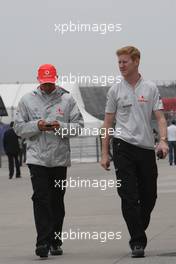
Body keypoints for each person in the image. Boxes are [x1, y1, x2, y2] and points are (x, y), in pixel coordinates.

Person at [101, 46, 168, 258]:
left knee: (149, 195)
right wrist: (105, 153)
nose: (121, 66)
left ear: (136, 61)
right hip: (122, 147)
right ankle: (137, 241)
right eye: (119, 62)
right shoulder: (115, 90)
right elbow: (108, 123)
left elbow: (160, 118)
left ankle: (138, 226)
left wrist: (163, 141)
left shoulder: (150, 88)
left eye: (125, 62)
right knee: (128, 196)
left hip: (146, 148)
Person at [14, 64, 84, 258]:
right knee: (41, 198)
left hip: (60, 159)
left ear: (56, 79)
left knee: (56, 201)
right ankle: (42, 242)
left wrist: (59, 126)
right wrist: (37, 125)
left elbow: (78, 127)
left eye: (50, 83)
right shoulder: (27, 100)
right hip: (37, 158)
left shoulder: (67, 99)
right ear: (38, 80)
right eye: (44, 83)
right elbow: (18, 128)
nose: (47, 86)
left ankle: (56, 240)